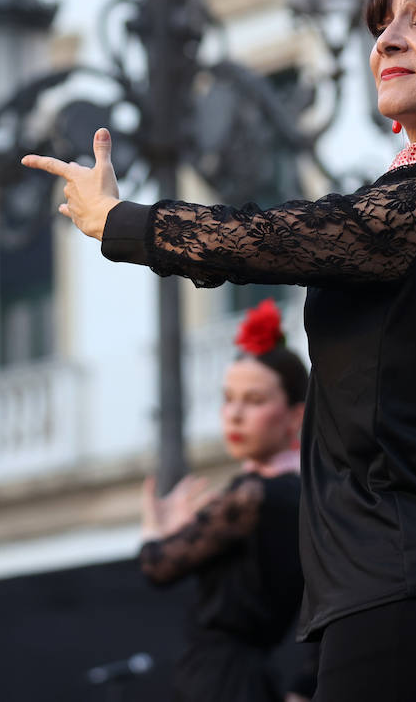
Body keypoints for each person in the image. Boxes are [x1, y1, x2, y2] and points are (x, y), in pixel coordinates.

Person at [25, 0, 416, 701]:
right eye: (384, 21)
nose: (388, 40)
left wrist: (119, 221)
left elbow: (275, 235)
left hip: (414, 587)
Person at [138, 299, 315, 702]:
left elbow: (156, 566)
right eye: (228, 399)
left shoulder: (250, 497)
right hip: (249, 679)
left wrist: (156, 528)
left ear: (294, 416)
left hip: (219, 680)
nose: (233, 415)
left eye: (253, 401)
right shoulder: (304, 496)